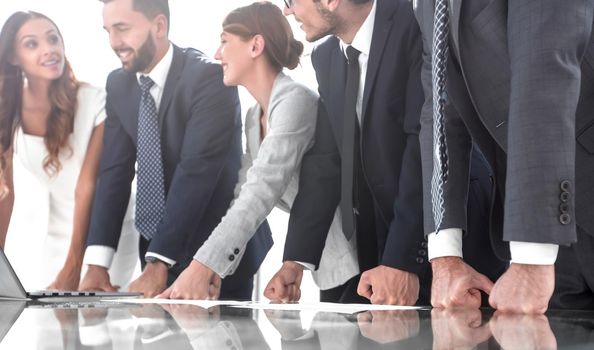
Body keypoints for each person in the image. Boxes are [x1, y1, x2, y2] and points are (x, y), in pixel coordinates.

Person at [265, 0, 502, 305]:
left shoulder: (417, 22)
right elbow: (327, 162)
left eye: (291, 1)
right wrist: (295, 260)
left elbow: (424, 143)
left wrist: (402, 259)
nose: (287, 11)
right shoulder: (325, 56)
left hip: (453, 233)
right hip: (383, 246)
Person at [158, 1, 358, 301]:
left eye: (224, 41)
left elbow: (261, 191)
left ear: (255, 46)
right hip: (322, 260)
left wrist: (201, 268)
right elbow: (243, 194)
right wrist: (215, 271)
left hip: (357, 257)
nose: (216, 54)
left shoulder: (295, 101)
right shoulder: (255, 117)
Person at [79, 0, 271, 299]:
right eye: (108, 31)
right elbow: (114, 173)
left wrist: (158, 263)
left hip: (215, 256)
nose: (114, 43)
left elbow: (196, 173)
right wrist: (97, 264)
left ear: (158, 25)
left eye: (122, 29)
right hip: (157, 248)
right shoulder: (119, 84)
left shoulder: (209, 77)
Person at [413, 0, 594, 313]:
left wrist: (531, 256)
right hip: (547, 220)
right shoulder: (427, 5)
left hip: (562, 199)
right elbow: (439, 114)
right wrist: (445, 256)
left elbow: (544, 68)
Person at [0, 11, 138, 291]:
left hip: (107, 229)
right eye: (31, 44)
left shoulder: (97, 100)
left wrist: (75, 265)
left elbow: (88, 186)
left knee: (96, 325)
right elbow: (6, 193)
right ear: (14, 57)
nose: (49, 49)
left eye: (53, 39)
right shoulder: (9, 109)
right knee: (47, 330)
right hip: (58, 230)